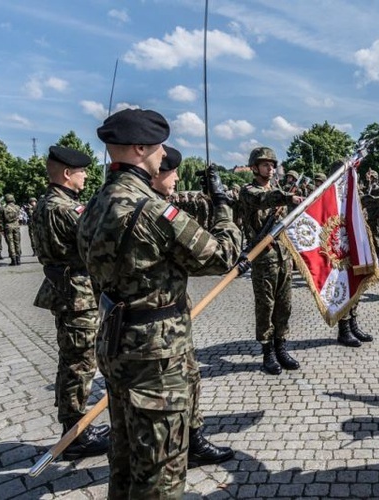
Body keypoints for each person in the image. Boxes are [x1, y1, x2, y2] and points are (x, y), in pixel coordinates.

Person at [77, 108, 241, 498]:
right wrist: (223, 206)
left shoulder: (96, 203)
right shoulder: (150, 208)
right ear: (139, 148)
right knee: (161, 472)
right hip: (156, 353)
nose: (162, 153)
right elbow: (221, 255)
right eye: (158, 145)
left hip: (116, 340)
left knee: (126, 458)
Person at [32, 146, 111, 461]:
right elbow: (99, 242)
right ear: (67, 174)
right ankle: (75, 434)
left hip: (64, 289)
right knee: (80, 363)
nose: (86, 176)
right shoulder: (65, 209)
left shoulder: (43, 204)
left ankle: (76, 427)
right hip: (77, 294)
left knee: (73, 360)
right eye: (81, 171)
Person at [240, 147, 303, 375]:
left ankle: (281, 346)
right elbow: (262, 199)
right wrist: (287, 197)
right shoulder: (248, 191)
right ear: (254, 168)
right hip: (263, 256)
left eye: (272, 164)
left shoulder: (277, 191)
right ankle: (267, 351)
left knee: (284, 304)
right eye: (265, 164)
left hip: (282, 254)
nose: (270, 168)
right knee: (265, 305)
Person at [0, 194, 22, 265]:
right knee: (17, 242)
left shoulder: (3, 208)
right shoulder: (17, 207)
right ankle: (18, 259)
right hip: (16, 226)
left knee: (10, 243)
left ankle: (13, 259)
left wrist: (1, 229)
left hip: (8, 227)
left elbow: (0, 220)